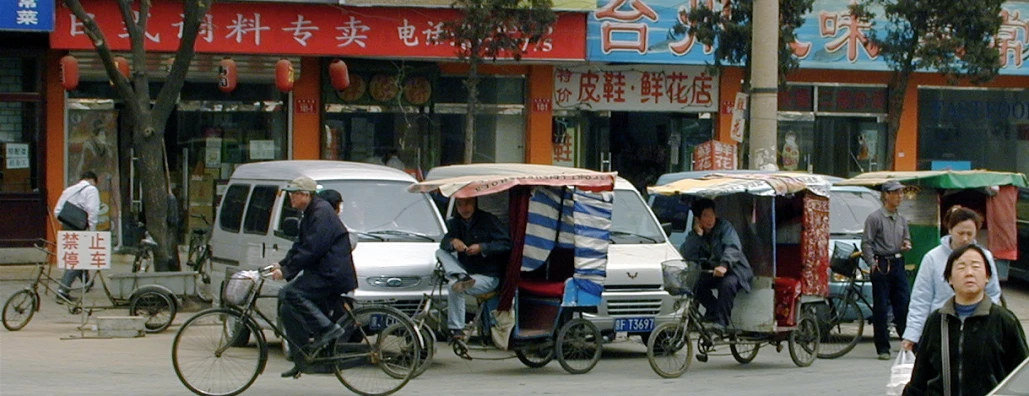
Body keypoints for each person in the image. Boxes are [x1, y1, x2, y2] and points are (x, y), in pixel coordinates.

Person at [903, 244, 1029, 396]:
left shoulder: (1004, 321)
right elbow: (920, 378)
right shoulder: (937, 321)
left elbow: (1022, 378)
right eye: (961, 267)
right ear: (949, 278)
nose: (969, 273)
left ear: (987, 276)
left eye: (976, 266)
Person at [269, 176, 357, 378]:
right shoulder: (309, 213)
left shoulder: (321, 213)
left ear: (305, 195)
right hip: (322, 272)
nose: (291, 198)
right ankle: (301, 357)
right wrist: (283, 264)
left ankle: (327, 329)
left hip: (331, 274)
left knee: (290, 292)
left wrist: (287, 271)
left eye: (294, 194)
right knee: (286, 306)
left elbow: (312, 249)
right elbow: (300, 244)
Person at [902, 206, 1003, 352]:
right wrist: (912, 335)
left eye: (970, 234)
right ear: (950, 230)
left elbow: (993, 292)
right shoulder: (933, 258)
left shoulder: (985, 256)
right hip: (941, 328)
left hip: (977, 329)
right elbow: (921, 299)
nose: (965, 238)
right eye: (960, 233)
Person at [438, 197, 511, 340]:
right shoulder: (455, 223)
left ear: (474, 203)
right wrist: (453, 242)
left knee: (454, 286)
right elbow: (444, 243)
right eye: (460, 205)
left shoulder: (488, 220)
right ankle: (460, 275)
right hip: (467, 273)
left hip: (489, 276)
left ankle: (457, 329)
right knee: (440, 253)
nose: (464, 208)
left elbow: (506, 244)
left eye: (467, 204)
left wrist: (482, 248)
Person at [679, 198, 753, 333]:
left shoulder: (725, 227)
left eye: (712, 214)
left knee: (727, 285)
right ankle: (713, 310)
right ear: (698, 219)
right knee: (695, 283)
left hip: (735, 271)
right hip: (715, 272)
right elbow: (687, 253)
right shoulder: (697, 233)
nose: (710, 219)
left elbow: (733, 247)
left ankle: (722, 322)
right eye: (705, 216)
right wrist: (697, 235)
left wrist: (724, 265)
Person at [861, 180, 913, 360]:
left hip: (898, 263)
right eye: (896, 193)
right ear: (886, 195)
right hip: (881, 264)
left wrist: (906, 244)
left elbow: (907, 238)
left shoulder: (902, 219)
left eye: (901, 193)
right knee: (881, 307)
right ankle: (882, 347)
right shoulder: (875, 218)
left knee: (903, 304)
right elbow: (866, 243)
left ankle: (908, 342)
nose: (900, 196)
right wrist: (872, 264)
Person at [54, 171, 101, 301]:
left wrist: (67, 222)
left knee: (73, 255)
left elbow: (57, 211)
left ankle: (86, 280)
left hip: (66, 227)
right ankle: (63, 291)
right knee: (76, 259)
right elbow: (93, 211)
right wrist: (92, 231)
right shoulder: (91, 190)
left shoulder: (69, 190)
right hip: (80, 228)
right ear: (93, 180)